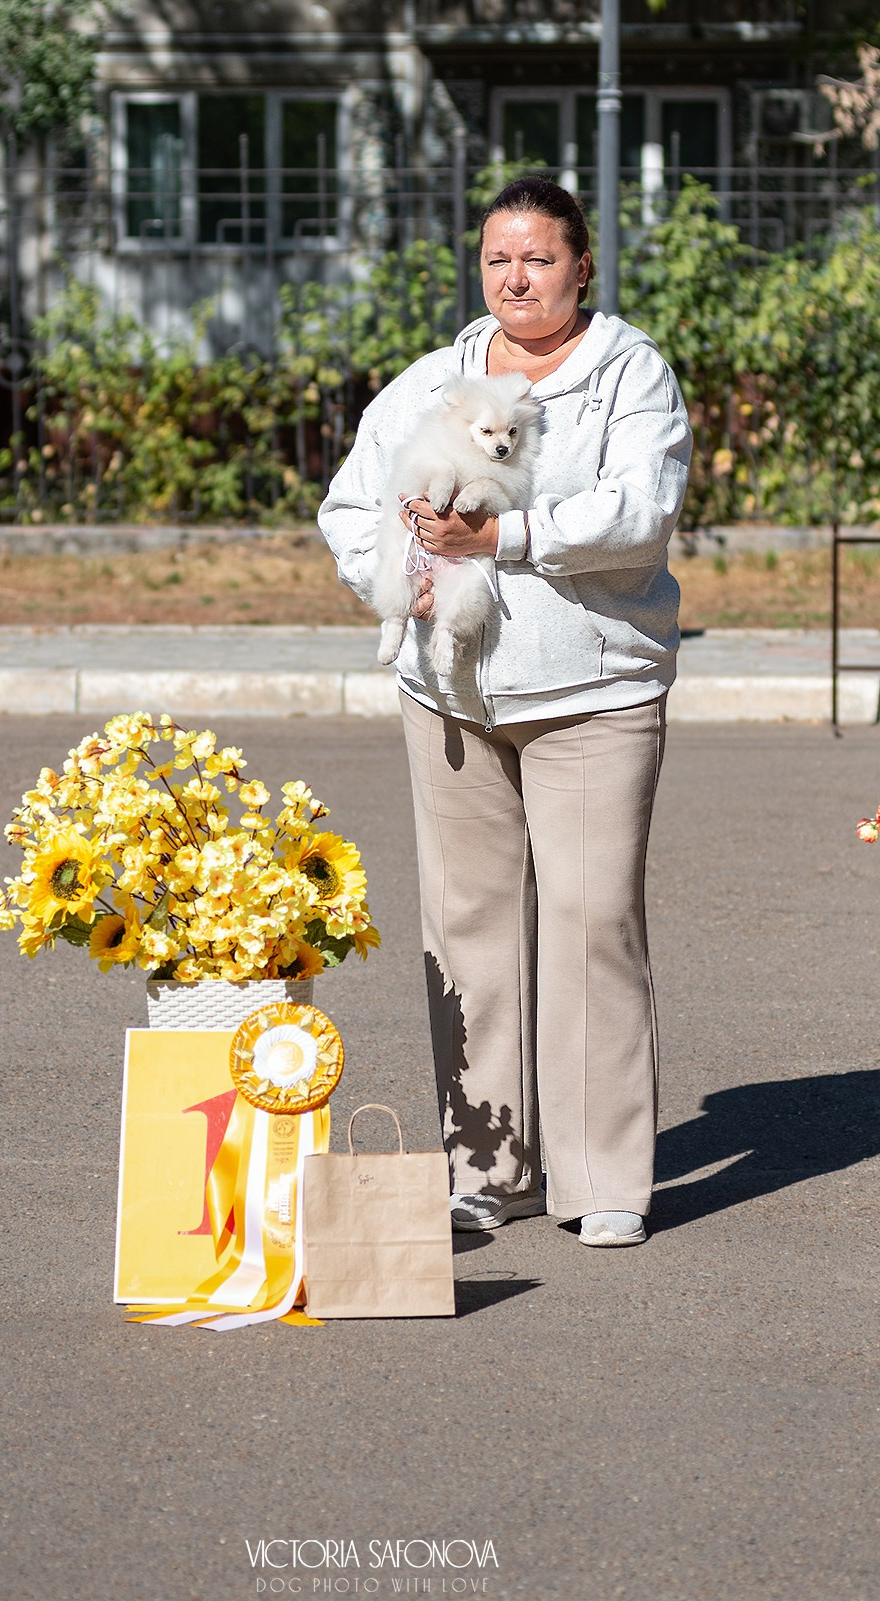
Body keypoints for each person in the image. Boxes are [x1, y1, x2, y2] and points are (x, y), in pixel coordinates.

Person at [318, 175, 691, 1247]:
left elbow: (639, 511)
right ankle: (485, 1162)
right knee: (467, 930)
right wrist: (396, 573)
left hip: (592, 687)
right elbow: (351, 502)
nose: (515, 276)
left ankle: (600, 1178)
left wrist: (501, 542)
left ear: (581, 266)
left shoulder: (628, 373)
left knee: (591, 923)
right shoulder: (435, 380)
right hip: (451, 689)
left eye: (537, 257)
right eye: (496, 258)